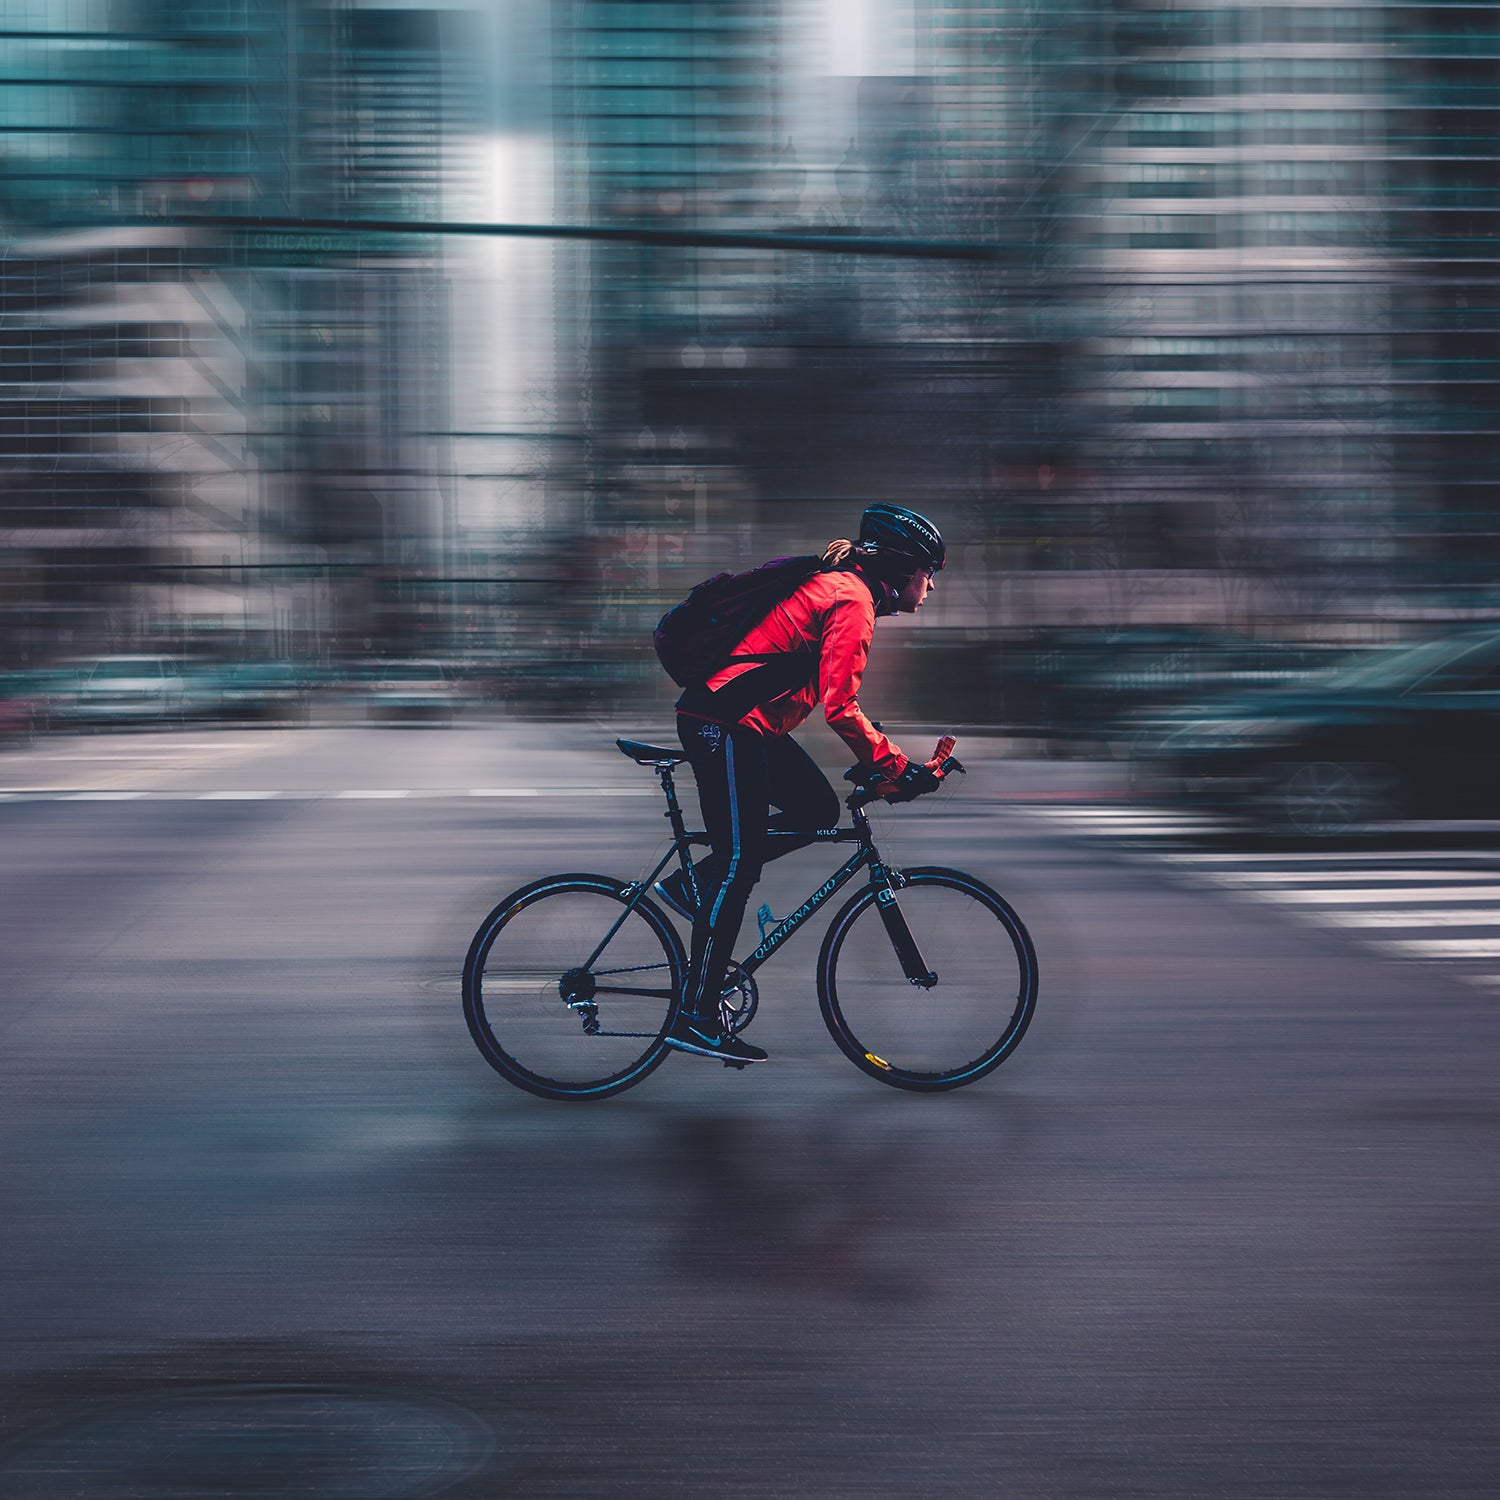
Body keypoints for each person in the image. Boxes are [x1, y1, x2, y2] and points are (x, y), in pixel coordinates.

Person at [661, 503, 950, 1064]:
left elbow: (834, 699)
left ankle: (694, 886)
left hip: (746, 723)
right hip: (724, 722)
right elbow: (841, 707)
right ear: (903, 568)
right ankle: (696, 1015)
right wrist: (894, 766)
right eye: (929, 571)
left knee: (817, 809)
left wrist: (884, 760)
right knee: (740, 864)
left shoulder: (846, 590)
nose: (931, 585)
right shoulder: (853, 599)